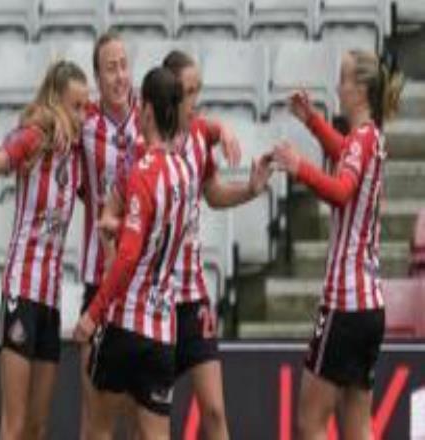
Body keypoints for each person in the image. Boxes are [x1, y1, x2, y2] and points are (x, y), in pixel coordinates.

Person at [0, 60, 89, 440]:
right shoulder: (34, 139)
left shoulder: (77, 156)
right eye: (76, 106)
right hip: (21, 293)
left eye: (85, 107)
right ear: (56, 102)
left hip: (51, 301)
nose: (82, 116)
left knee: (38, 427)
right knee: (15, 424)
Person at [272, 49, 403, 439]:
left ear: (361, 90)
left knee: (310, 422)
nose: (338, 86)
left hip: (343, 304)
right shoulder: (370, 137)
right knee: (358, 427)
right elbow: (343, 151)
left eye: (344, 79)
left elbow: (342, 191)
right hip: (369, 307)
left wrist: (300, 168)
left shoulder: (362, 140)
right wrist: (312, 120)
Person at [74, 66, 191, 440]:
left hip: (126, 324)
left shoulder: (143, 171)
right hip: (163, 330)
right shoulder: (184, 172)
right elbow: (161, 233)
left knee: (98, 431)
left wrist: (92, 314)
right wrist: (123, 226)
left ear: (149, 111)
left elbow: (127, 257)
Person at [163, 50, 272, 440]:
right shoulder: (147, 143)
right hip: (155, 301)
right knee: (149, 421)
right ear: (170, 94)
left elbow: (212, 194)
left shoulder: (197, 139)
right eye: (188, 91)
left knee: (214, 410)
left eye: (198, 90)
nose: (196, 100)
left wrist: (251, 189)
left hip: (193, 295)